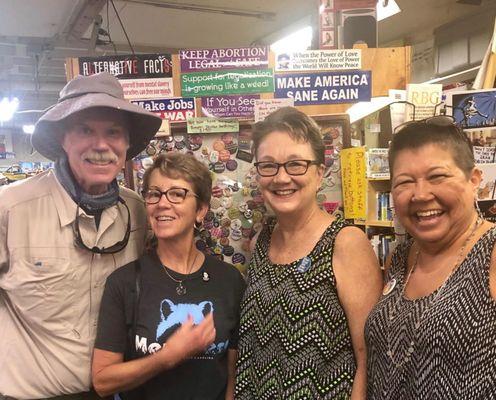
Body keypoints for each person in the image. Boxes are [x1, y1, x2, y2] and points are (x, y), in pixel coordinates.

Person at [0, 71, 161, 399]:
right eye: (85, 129)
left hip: (113, 391)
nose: (101, 145)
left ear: (127, 143)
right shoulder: (10, 208)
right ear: (63, 138)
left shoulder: (137, 211)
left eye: (113, 132)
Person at [235, 107, 382, 399]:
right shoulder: (261, 242)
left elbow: (369, 359)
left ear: (319, 172)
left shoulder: (345, 243)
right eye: (268, 165)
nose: (281, 177)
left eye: (295, 164)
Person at [92, 152, 246, 400]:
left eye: (177, 193)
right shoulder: (124, 282)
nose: (162, 203)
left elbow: (231, 372)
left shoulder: (229, 281)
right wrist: (167, 357)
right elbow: (102, 381)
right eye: (154, 194)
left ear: (201, 210)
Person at [365, 118, 496, 399]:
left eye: (437, 177)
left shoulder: (491, 253)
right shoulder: (401, 258)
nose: (421, 194)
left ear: (474, 180)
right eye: (404, 182)